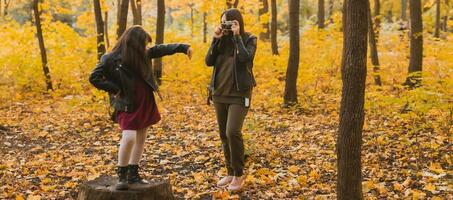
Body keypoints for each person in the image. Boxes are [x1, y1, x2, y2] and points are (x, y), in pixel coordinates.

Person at [89, 25, 193, 190]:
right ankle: (121, 175)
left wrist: (183, 47)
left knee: (141, 137)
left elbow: (162, 49)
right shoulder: (110, 59)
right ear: (133, 44)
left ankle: (133, 174)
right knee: (129, 136)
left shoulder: (144, 54)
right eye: (143, 44)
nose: (146, 47)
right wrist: (115, 89)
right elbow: (94, 77)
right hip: (126, 102)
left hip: (144, 100)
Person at [205, 8, 257, 192]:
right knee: (223, 135)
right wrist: (215, 39)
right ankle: (229, 171)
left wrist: (237, 37)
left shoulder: (249, 38)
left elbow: (245, 58)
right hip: (219, 93)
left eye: (228, 22)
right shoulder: (221, 41)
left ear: (237, 22)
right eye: (222, 22)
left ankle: (238, 174)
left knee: (232, 131)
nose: (225, 26)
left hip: (239, 94)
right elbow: (208, 61)